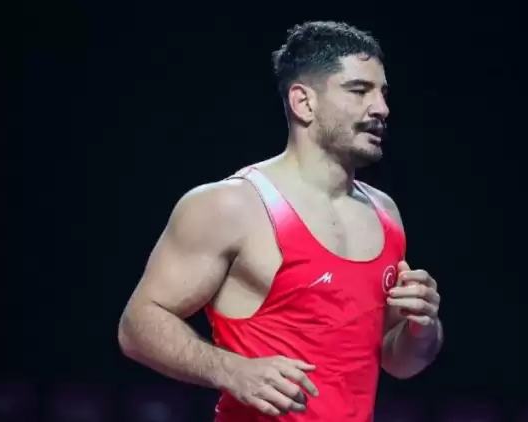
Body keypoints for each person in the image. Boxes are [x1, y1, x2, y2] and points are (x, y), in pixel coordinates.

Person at [118, 21, 443, 421]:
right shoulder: (233, 205)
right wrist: (231, 370)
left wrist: (422, 329)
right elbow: (137, 325)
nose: (381, 108)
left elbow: (397, 362)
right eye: (359, 91)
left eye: (382, 93)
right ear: (303, 102)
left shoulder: (385, 213)